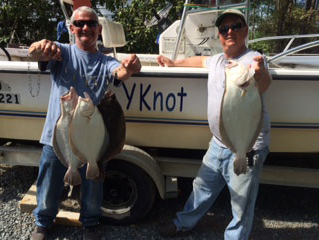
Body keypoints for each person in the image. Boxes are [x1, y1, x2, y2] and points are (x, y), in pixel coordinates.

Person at [157, 9, 272, 240]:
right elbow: (199, 60)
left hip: (246, 148)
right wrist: (174, 63)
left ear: (245, 31)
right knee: (202, 188)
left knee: (241, 203)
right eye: (224, 29)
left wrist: (259, 74)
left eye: (236, 26)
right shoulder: (219, 59)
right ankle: (183, 224)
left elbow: (264, 82)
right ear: (219, 35)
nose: (230, 32)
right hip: (218, 143)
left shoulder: (252, 60)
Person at [29, 6, 141, 240]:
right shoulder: (61, 52)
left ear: (99, 30)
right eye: (79, 23)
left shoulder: (105, 61)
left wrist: (131, 66)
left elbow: (120, 73)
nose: (85, 28)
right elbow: (36, 54)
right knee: (48, 185)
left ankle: (90, 222)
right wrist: (39, 47)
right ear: (72, 28)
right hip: (56, 136)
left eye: (91, 23)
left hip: (92, 136)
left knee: (93, 185)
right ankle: (43, 222)